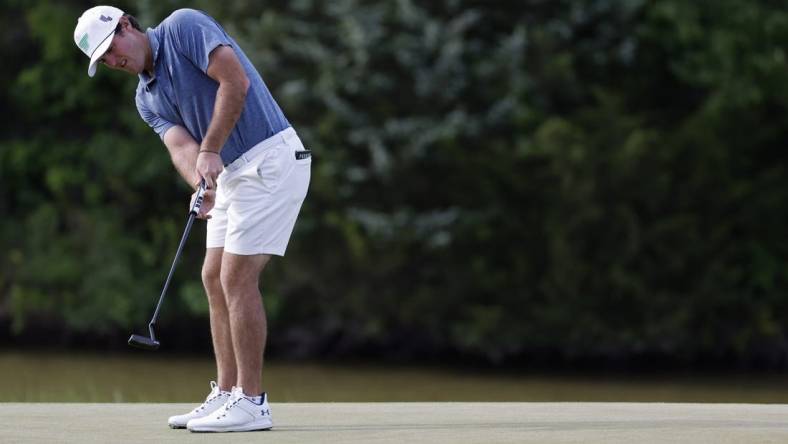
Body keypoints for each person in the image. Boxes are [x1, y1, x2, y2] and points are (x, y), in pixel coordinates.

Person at [73, 5, 311, 433]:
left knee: (237, 277)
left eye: (112, 48)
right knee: (212, 275)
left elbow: (234, 82)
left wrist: (210, 151)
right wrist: (202, 183)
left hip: (272, 158)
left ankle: (252, 403)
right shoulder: (146, 98)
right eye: (104, 60)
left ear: (127, 25)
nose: (113, 61)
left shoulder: (183, 26)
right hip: (234, 173)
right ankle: (226, 393)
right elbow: (182, 147)